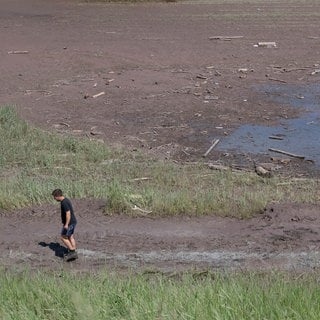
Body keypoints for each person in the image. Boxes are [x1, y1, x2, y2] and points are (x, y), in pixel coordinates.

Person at [52, 189, 78, 261]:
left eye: (54, 197)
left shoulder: (64, 202)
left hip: (69, 223)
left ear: (57, 196)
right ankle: (73, 251)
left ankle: (72, 252)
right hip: (73, 222)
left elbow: (68, 213)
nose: (54, 199)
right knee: (70, 237)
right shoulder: (66, 200)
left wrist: (66, 224)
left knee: (63, 237)